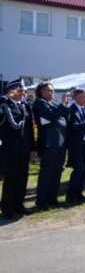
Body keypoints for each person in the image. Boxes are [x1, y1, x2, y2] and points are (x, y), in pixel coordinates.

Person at [0, 79, 35, 219]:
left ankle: (18, 205)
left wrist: (32, 149)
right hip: (9, 150)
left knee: (22, 179)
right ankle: (7, 209)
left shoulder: (26, 107)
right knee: (10, 180)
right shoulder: (4, 106)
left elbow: (30, 130)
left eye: (24, 90)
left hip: (24, 149)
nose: (24, 93)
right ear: (11, 91)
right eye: (20, 90)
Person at [32, 82, 69, 211]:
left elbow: (64, 117)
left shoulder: (52, 104)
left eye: (53, 91)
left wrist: (63, 106)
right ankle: (41, 201)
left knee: (56, 173)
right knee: (47, 173)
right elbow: (52, 116)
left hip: (59, 143)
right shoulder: (40, 103)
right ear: (41, 91)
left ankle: (52, 199)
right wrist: (63, 103)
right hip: (49, 143)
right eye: (48, 90)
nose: (52, 93)